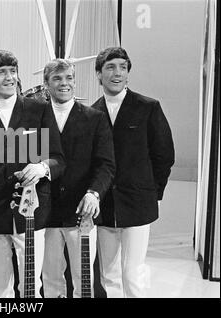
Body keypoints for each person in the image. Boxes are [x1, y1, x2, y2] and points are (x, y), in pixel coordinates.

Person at [91, 47, 175, 298]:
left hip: (138, 203)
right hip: (105, 207)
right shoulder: (91, 113)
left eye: (123, 67)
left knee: (132, 274)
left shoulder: (148, 107)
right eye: (110, 67)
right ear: (99, 74)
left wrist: (152, 192)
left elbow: (164, 156)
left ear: (128, 73)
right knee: (108, 275)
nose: (117, 73)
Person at [0, 50, 65, 298]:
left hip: (32, 213)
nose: (9, 77)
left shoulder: (39, 110)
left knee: (31, 289)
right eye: (1, 72)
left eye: (12, 71)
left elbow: (59, 159)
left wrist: (42, 168)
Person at [41, 59, 115, 298]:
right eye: (57, 78)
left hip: (81, 213)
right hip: (45, 213)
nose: (64, 83)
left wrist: (94, 194)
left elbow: (106, 165)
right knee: (50, 280)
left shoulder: (95, 118)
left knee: (85, 282)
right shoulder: (36, 117)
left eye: (69, 78)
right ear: (46, 84)